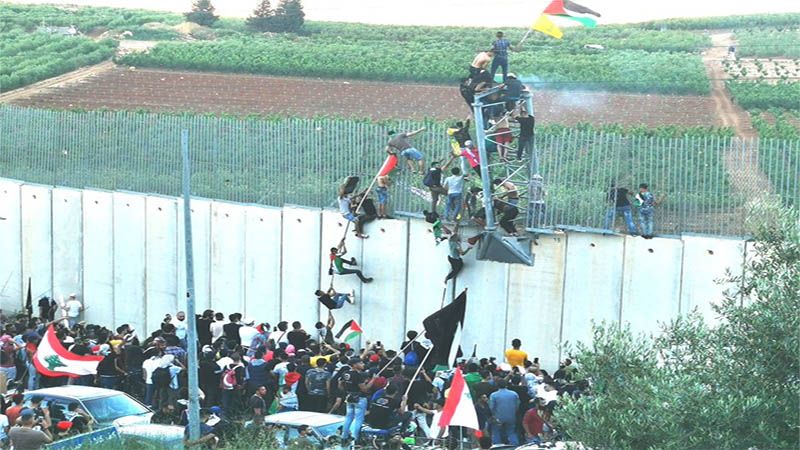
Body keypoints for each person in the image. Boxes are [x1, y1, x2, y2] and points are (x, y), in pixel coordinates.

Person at [340, 357, 377, 443]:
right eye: (360, 363)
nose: (363, 364)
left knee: (348, 417)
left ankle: (344, 436)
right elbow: (364, 389)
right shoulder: (358, 375)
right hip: (359, 398)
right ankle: (354, 438)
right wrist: (373, 380)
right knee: (358, 419)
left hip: (349, 397)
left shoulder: (345, 373)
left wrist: (347, 390)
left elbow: (340, 384)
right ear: (355, 365)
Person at [489, 380, 520, 445]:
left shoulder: (494, 395)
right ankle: (514, 445)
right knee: (511, 432)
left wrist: (493, 415)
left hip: (498, 417)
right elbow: (517, 405)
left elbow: (491, 407)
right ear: (506, 385)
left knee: (496, 432)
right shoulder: (514, 394)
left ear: (497, 386)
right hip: (511, 416)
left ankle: (497, 446)